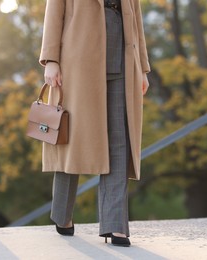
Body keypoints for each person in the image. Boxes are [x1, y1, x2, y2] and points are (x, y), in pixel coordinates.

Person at [39, 0, 150, 247]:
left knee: (120, 141)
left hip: (123, 60)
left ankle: (115, 226)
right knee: (72, 140)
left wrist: (142, 66)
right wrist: (51, 60)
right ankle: (62, 215)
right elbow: (54, 12)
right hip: (78, 62)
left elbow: (136, 17)